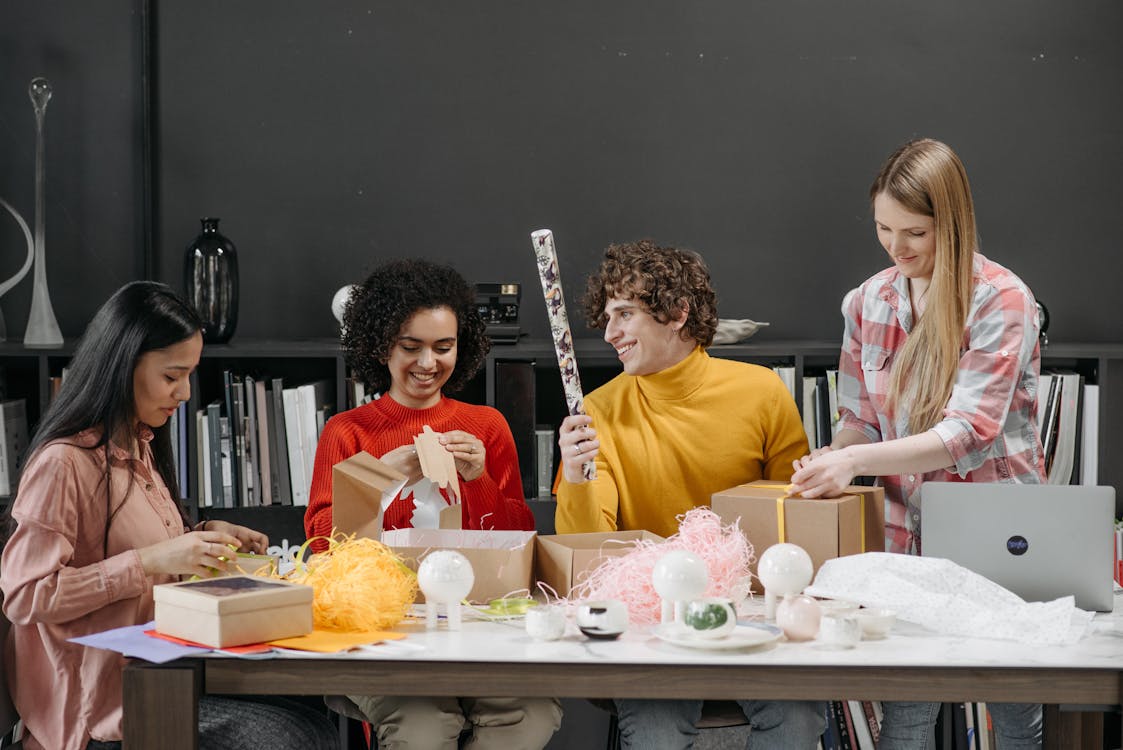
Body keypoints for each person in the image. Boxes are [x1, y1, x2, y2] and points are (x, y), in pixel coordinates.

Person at [0, 281, 338, 750]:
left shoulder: (139, 444)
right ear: (123, 367)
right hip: (101, 710)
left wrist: (202, 537)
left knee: (319, 713)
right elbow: (26, 596)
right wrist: (152, 560)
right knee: (293, 739)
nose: (183, 392)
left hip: (162, 675)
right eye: (171, 376)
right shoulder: (64, 464)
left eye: (189, 375)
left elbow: (140, 551)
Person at [790, 138, 1044, 748]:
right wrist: (836, 456)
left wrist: (854, 459)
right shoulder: (867, 301)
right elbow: (861, 418)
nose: (896, 248)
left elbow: (967, 432)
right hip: (904, 533)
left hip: (999, 533)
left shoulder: (1002, 299)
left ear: (951, 225)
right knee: (906, 711)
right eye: (883, 228)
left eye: (915, 233)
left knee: (1011, 707)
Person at [556, 240, 824, 749]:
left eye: (626, 314)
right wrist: (576, 474)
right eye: (607, 316)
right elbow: (587, 547)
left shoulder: (762, 392)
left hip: (753, 616)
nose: (609, 332)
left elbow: (797, 519)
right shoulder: (597, 411)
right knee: (655, 731)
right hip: (649, 626)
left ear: (677, 313)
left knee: (796, 719)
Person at [304, 258, 561, 750]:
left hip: (480, 623)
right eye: (411, 347)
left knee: (530, 716)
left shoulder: (486, 427)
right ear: (381, 347)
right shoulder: (348, 432)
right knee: (424, 729)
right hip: (385, 630)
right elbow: (322, 544)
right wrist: (382, 479)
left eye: (443, 347)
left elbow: (518, 538)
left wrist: (480, 478)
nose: (428, 363)